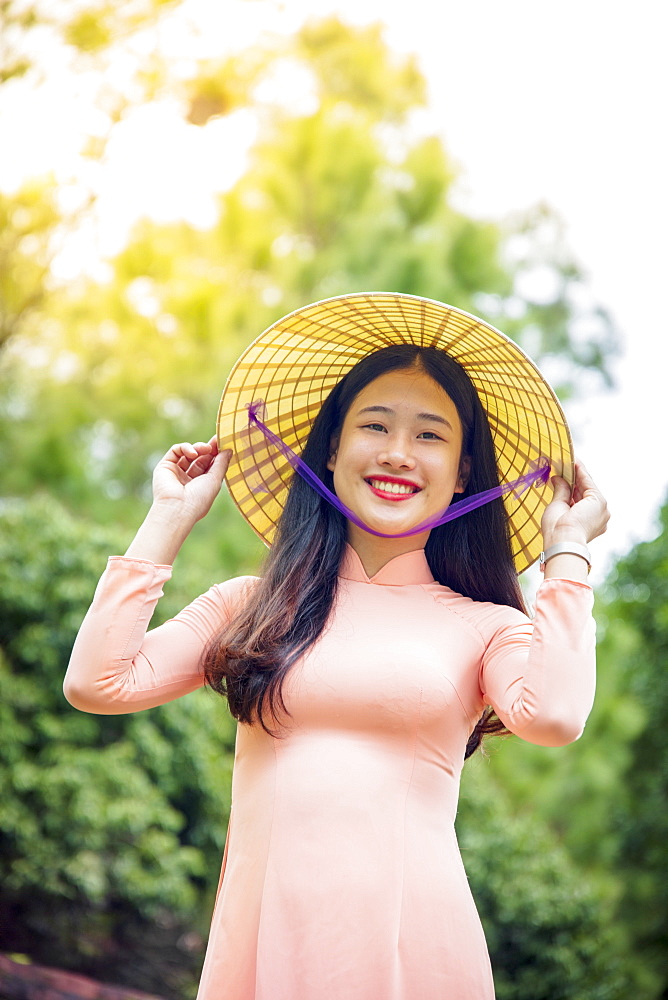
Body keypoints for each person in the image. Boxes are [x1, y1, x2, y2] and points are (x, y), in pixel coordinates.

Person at [64, 293, 609, 1000]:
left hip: (413, 949)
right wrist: (167, 518)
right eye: (374, 426)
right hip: (261, 946)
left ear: (464, 474)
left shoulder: (485, 626)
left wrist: (566, 555)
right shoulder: (251, 607)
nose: (395, 453)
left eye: (429, 436)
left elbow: (557, 716)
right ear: (331, 447)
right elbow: (97, 683)